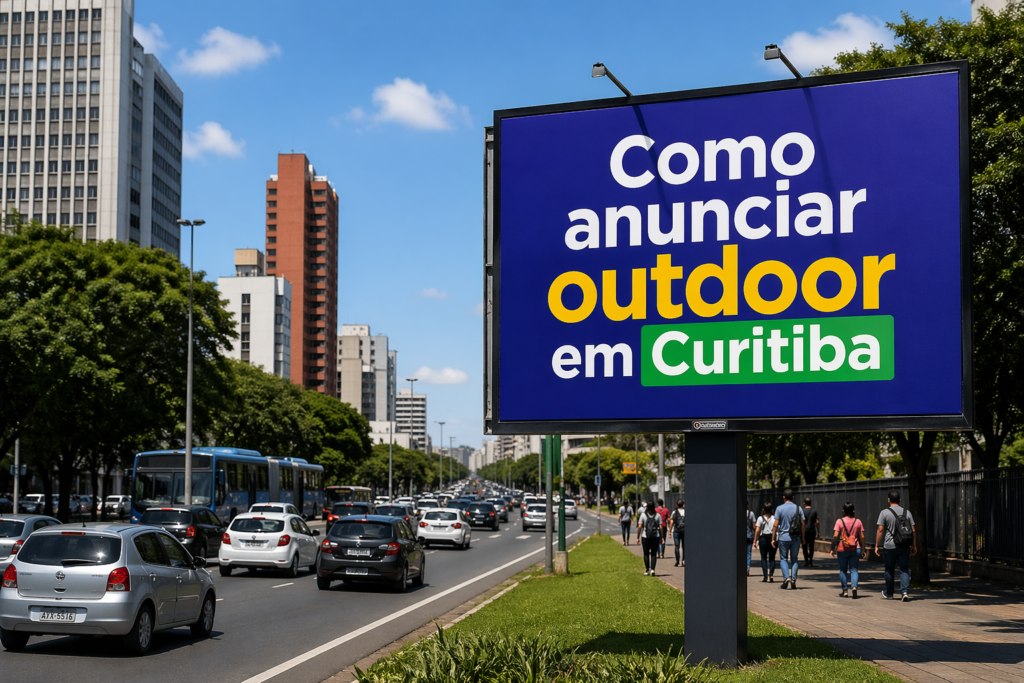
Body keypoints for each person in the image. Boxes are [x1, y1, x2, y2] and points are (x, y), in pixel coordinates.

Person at [875, 490, 917, 601]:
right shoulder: (907, 512)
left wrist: (876, 545)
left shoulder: (884, 512)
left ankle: (889, 594)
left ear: (888, 500)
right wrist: (914, 545)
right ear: (899, 500)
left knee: (889, 569)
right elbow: (913, 530)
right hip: (904, 545)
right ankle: (905, 593)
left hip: (889, 546)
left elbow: (880, 530)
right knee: (904, 569)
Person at [830, 502, 867, 598]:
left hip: (842, 549)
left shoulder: (839, 521)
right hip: (856, 548)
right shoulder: (858, 521)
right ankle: (854, 587)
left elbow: (835, 536)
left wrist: (832, 548)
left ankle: (845, 590)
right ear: (853, 511)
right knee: (854, 569)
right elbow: (862, 536)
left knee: (843, 570)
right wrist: (863, 548)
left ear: (843, 511)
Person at [772, 489, 805, 590]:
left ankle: (786, 578)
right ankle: (794, 580)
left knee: (783, 558)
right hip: (796, 537)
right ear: (793, 497)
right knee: (794, 559)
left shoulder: (779, 508)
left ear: (783, 497)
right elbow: (803, 524)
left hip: (783, 537)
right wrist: (803, 537)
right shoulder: (798, 508)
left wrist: (773, 538)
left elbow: (775, 525)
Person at [638, 501, 662, 576]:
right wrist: (662, 537)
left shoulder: (643, 515)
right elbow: (660, 527)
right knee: (654, 554)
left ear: (647, 507)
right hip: (655, 536)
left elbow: (639, 526)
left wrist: (637, 537)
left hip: (645, 536)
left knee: (646, 554)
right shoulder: (658, 515)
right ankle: (653, 569)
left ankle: (647, 570)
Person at [755, 502, 777, 582]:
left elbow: (757, 530)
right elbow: (777, 528)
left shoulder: (760, 518)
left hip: (763, 538)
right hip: (772, 538)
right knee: (772, 558)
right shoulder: (775, 518)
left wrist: (755, 541)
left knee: (763, 558)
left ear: (763, 509)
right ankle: (771, 575)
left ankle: (765, 575)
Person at [802, 497, 820, 567]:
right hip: (812, 530)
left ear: (804, 503)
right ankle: (811, 562)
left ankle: (806, 561)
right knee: (811, 546)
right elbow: (817, 522)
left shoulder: (802, 511)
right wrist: (818, 532)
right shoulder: (814, 511)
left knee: (804, 546)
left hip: (804, 531)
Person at [669, 499, 685, 566]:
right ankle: (684, 560)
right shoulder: (686, 511)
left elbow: (671, 522)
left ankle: (677, 561)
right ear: (683, 505)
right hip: (684, 530)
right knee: (684, 546)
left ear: (677, 506)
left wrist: (669, 531)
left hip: (676, 530)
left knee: (677, 546)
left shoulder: (674, 512)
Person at [745, 500, 756, 577]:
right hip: (750, 535)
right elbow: (754, 526)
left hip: (741, 536)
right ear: (747, 505)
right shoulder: (751, 513)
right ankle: (747, 569)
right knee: (748, 553)